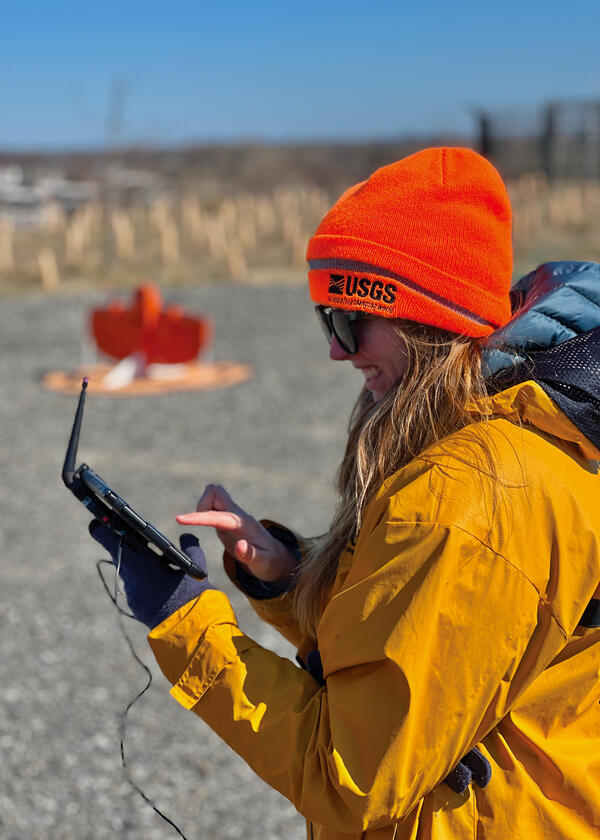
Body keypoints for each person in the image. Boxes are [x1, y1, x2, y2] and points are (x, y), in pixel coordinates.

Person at [90, 147, 600, 839]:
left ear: (426, 314)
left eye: (346, 318)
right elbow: (435, 641)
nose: (335, 349)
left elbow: (350, 778)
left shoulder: (468, 496)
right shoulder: (521, 431)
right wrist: (288, 574)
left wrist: (187, 625)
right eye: (324, 317)